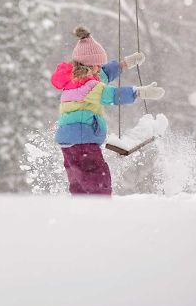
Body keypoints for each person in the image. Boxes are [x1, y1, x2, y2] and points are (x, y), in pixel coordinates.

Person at [50, 26, 165, 195]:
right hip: (83, 141)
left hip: (68, 142)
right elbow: (111, 95)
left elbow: (103, 74)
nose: (100, 68)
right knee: (98, 181)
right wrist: (139, 92)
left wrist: (125, 64)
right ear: (89, 65)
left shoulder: (74, 79)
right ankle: (101, 206)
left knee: (79, 182)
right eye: (97, 65)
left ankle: (81, 207)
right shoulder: (88, 85)